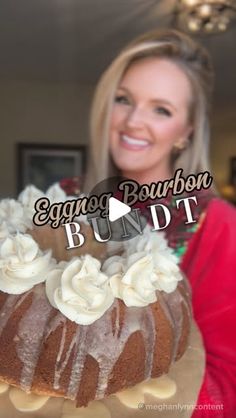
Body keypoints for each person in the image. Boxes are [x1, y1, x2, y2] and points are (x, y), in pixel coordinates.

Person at [61, 29, 236, 416]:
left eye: (161, 109)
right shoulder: (66, 198)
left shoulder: (216, 225)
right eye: (123, 100)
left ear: (186, 132)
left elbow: (229, 385)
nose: (133, 121)